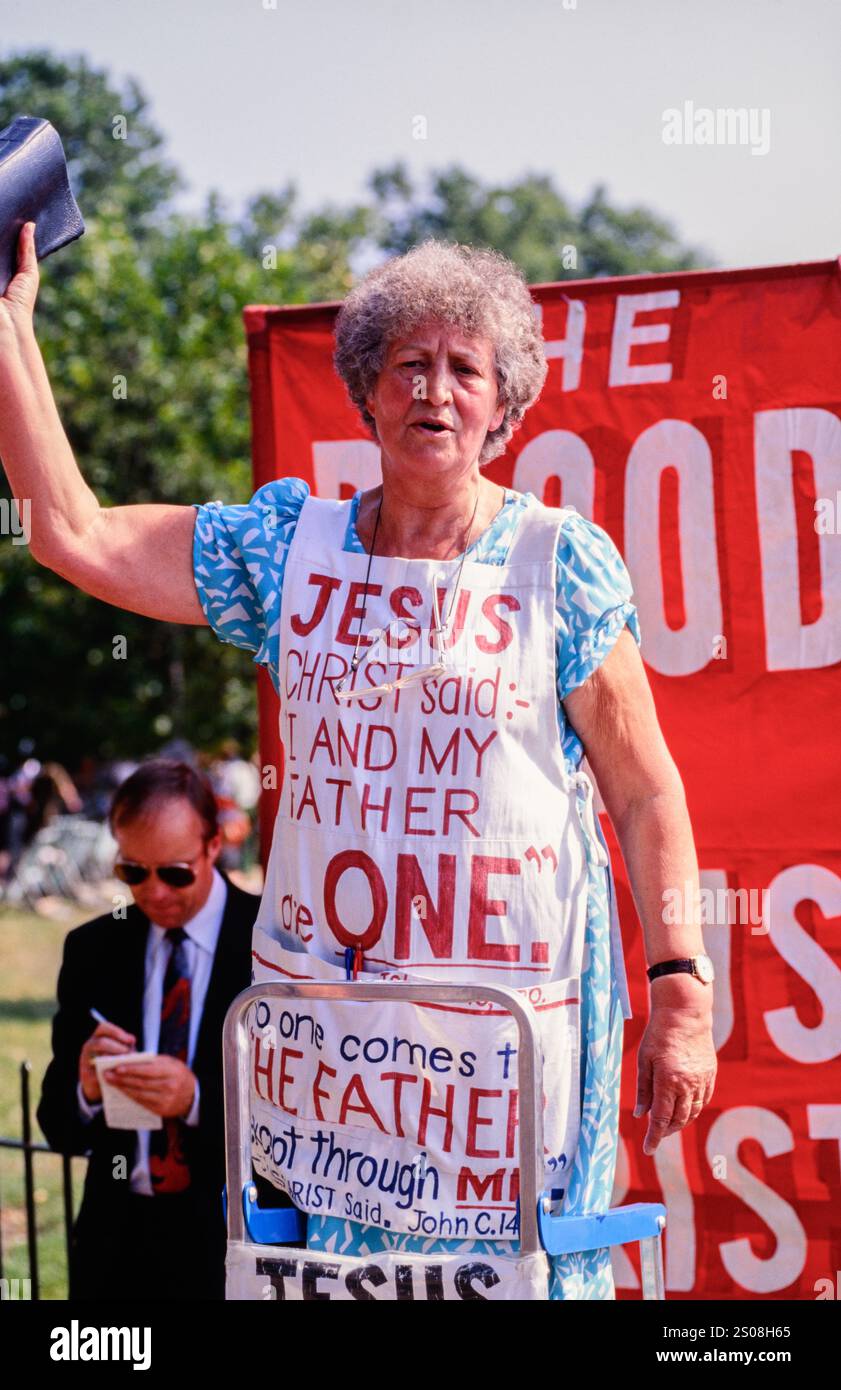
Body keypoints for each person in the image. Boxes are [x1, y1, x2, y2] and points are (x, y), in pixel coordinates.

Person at [4, 224, 716, 1299]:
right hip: (335, 1078)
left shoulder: (556, 563)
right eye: (408, 365)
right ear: (365, 398)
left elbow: (644, 787)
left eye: (464, 369)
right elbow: (72, 533)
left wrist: (682, 989)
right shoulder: (291, 547)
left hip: (509, 1065)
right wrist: (10, 326)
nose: (435, 389)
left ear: (503, 408)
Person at [37, 759, 260, 1299]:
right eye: (133, 872)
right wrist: (86, 1090)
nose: (154, 892)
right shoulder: (93, 948)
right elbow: (56, 1122)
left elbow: (305, 1118)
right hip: (116, 1246)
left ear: (213, 845)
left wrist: (199, 1099)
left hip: (227, 1244)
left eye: (174, 872)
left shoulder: (268, 946)